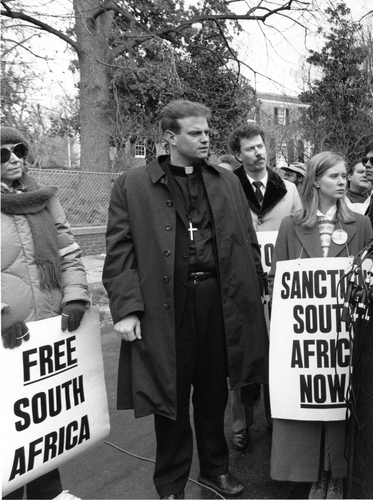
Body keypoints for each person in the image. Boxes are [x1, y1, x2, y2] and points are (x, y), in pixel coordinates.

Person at [103, 100, 268, 500]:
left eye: (207, 131)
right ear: (170, 138)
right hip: (166, 304)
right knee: (170, 398)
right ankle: (172, 484)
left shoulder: (226, 181)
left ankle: (215, 470)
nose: (206, 138)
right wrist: (125, 308)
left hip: (218, 301)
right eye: (195, 133)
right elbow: (119, 249)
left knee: (213, 392)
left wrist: (257, 288)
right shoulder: (133, 184)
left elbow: (246, 239)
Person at [268, 151, 373, 500]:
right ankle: (315, 475)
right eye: (335, 177)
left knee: (341, 402)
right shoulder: (291, 224)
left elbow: (371, 277)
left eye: (345, 175)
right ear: (315, 181)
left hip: (344, 333)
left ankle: (338, 473)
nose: (343, 181)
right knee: (310, 402)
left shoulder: (361, 224)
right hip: (306, 335)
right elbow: (276, 281)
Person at [2, 126, 89, 500]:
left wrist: (74, 297)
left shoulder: (43, 197)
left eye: (18, 149)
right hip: (7, 337)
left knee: (41, 428)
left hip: (45, 334)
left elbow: (68, 251)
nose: (14, 158)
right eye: (2, 154)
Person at [226, 124, 302, 451]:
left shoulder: (288, 189)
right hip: (242, 283)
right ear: (237, 155)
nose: (258, 153)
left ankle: (277, 418)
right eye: (250, 149)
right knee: (242, 355)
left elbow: (300, 233)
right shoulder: (227, 188)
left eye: (260, 146)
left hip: (281, 284)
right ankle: (241, 425)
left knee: (278, 352)